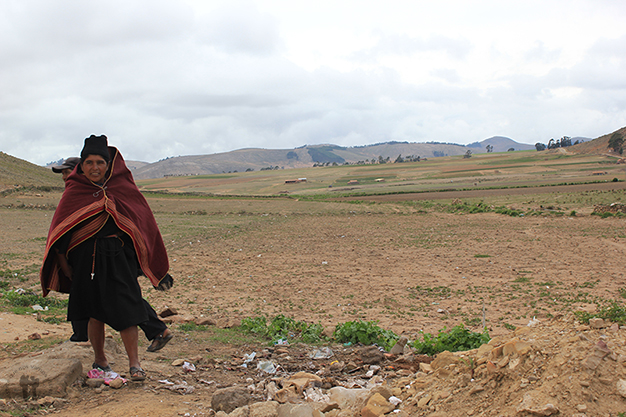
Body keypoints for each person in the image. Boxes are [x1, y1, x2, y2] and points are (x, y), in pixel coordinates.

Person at [41, 135, 174, 381]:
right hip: (84, 260)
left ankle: (135, 365)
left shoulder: (122, 188)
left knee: (128, 310)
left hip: (117, 258)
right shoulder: (75, 190)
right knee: (93, 311)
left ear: (108, 164)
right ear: (82, 165)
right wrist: (62, 263)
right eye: (89, 162)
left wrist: (150, 262)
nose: (94, 168)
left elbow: (143, 224)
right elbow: (60, 230)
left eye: (100, 162)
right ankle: (100, 360)